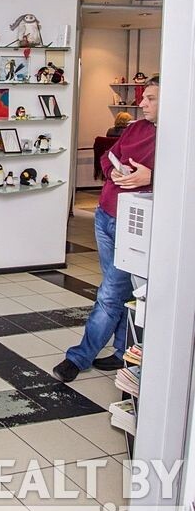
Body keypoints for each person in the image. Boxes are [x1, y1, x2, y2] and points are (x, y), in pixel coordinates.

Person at [54, 77, 158, 382]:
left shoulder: (180, 137)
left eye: (150, 98)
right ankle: (123, 351)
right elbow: (107, 156)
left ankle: (79, 358)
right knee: (122, 288)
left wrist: (153, 176)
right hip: (106, 215)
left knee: (111, 293)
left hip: (136, 224)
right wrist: (112, 170)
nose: (142, 103)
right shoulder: (137, 128)